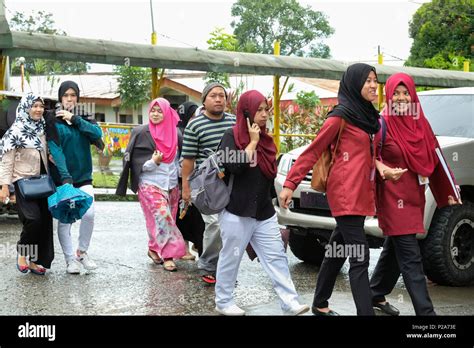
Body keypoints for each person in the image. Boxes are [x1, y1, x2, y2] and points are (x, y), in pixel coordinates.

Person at [280, 63, 381, 316]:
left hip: (362, 192)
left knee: (339, 248)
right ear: (353, 84)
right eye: (367, 80)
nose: (372, 85)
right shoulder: (340, 116)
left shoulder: (369, 116)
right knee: (360, 255)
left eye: (375, 80)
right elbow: (313, 150)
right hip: (345, 193)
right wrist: (290, 184)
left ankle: (320, 303)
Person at [369, 73, 462, 316]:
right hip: (392, 199)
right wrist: (384, 169)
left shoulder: (420, 122)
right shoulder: (382, 123)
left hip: (414, 197)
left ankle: (374, 294)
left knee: (395, 249)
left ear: (412, 95)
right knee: (411, 256)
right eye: (396, 93)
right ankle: (427, 315)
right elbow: (370, 155)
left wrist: (449, 191)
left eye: (405, 92)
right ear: (389, 96)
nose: (401, 98)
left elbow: (436, 156)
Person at [215, 90, 309, 316]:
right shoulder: (232, 136)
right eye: (259, 110)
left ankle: (289, 302)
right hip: (236, 210)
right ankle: (224, 301)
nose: (265, 114)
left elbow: (269, 175)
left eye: (266, 110)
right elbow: (234, 166)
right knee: (231, 257)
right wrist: (253, 142)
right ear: (246, 112)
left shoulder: (268, 141)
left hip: (263, 211)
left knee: (276, 256)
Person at [117, 98, 186, 271]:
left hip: (171, 185)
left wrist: (182, 174)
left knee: (158, 220)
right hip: (149, 184)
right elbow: (133, 161)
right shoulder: (141, 132)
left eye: (159, 111)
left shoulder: (176, 134)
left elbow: (180, 160)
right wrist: (153, 162)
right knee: (164, 217)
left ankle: (154, 248)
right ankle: (169, 255)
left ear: (167, 112)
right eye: (152, 110)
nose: (155, 114)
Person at [181, 82, 236, 284]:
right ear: (204, 100)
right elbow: (187, 159)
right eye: (213, 95)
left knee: (231, 227)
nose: (218, 99)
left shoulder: (234, 121)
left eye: (222, 95)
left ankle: (225, 268)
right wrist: (185, 188)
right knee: (214, 225)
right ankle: (208, 265)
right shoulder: (195, 125)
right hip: (208, 184)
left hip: (233, 181)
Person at [46, 81, 102, 274]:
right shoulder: (52, 119)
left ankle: (82, 252)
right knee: (66, 220)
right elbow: (56, 150)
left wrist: (75, 119)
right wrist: (65, 178)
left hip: (84, 176)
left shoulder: (84, 118)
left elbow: (97, 133)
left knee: (89, 214)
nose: (69, 98)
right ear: (60, 98)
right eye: (66, 95)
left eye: (73, 95)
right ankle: (70, 260)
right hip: (64, 178)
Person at [0, 93, 53, 275]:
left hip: (42, 183)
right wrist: (5, 186)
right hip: (23, 182)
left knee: (44, 223)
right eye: (34, 106)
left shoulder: (42, 129)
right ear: (25, 107)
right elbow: (7, 161)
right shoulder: (15, 131)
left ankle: (34, 261)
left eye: (41, 106)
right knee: (32, 219)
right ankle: (22, 252)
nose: (38, 109)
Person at [176, 101, 204, 260]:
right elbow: (184, 160)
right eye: (193, 116)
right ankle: (184, 248)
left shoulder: (189, 130)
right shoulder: (182, 132)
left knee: (191, 216)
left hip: (189, 180)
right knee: (184, 216)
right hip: (182, 180)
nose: (196, 119)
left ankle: (195, 244)